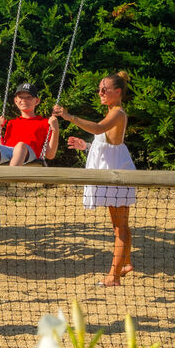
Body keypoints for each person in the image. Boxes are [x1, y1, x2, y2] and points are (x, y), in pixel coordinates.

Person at [52, 71, 135, 286]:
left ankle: (113, 276)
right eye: (99, 88)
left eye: (104, 89)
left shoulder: (117, 113)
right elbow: (108, 145)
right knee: (121, 225)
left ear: (118, 92)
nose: (100, 92)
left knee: (120, 227)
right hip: (114, 172)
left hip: (117, 175)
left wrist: (69, 117)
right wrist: (86, 146)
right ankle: (125, 264)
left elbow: (99, 129)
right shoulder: (112, 113)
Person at [0, 82, 60, 166]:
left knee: (20, 146)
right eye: (21, 97)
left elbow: (50, 155)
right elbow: (3, 148)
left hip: (30, 155)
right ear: (16, 101)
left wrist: (55, 130)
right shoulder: (12, 123)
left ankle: (10, 176)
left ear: (36, 101)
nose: (24, 100)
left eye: (29, 97)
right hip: (11, 153)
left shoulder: (45, 123)